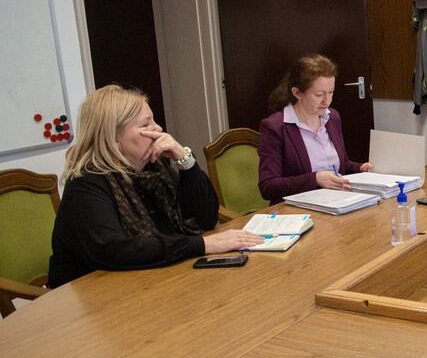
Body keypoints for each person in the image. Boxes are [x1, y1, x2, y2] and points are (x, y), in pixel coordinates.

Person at [49, 84, 264, 287]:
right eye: (145, 125)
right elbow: (115, 250)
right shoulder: (86, 183)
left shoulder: (155, 168)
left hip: (154, 278)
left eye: (154, 121)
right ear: (114, 139)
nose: (159, 128)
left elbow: (205, 219)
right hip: (95, 294)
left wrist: (186, 162)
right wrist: (204, 245)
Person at [258, 54, 372, 203]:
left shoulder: (332, 117)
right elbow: (268, 186)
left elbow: (340, 164)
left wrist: (360, 168)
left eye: (331, 92)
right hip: (298, 209)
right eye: (319, 95)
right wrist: (315, 179)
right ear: (297, 93)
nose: (327, 101)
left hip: (336, 202)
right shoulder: (275, 127)